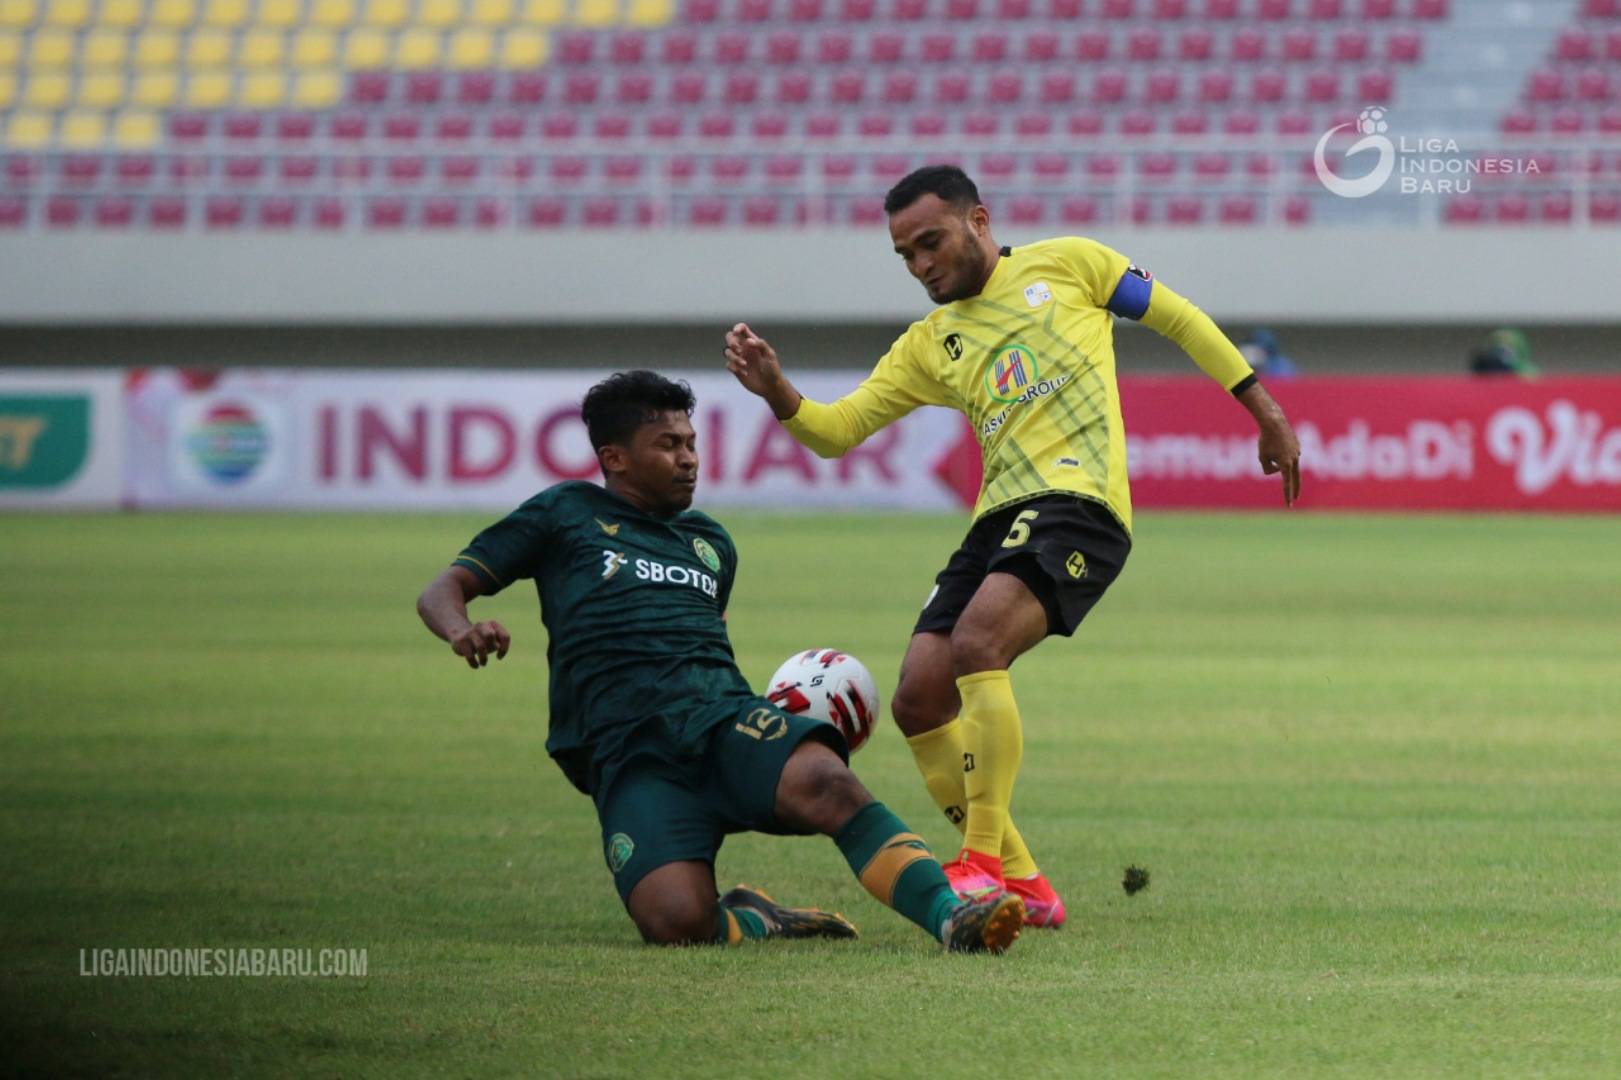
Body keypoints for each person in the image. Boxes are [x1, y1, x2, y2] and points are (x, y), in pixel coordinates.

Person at [724, 165, 1301, 929]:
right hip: (996, 519)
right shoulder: (929, 344)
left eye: (930, 242)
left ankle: (982, 863)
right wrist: (777, 392)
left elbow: (1180, 318)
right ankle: (1028, 885)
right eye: (904, 255)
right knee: (918, 696)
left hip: (1079, 503)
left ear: (978, 220)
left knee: (976, 644)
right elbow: (836, 432)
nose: (921, 264)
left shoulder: (1071, 264)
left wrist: (1263, 409)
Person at [416, 369, 1025, 953]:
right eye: (668, 445)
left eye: (691, 443)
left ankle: (952, 916)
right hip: (625, 752)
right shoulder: (564, 513)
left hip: (717, 718)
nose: (689, 459)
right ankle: (758, 919)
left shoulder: (711, 543)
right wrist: (461, 629)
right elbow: (442, 589)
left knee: (826, 781)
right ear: (615, 458)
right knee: (676, 924)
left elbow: (706, 642)